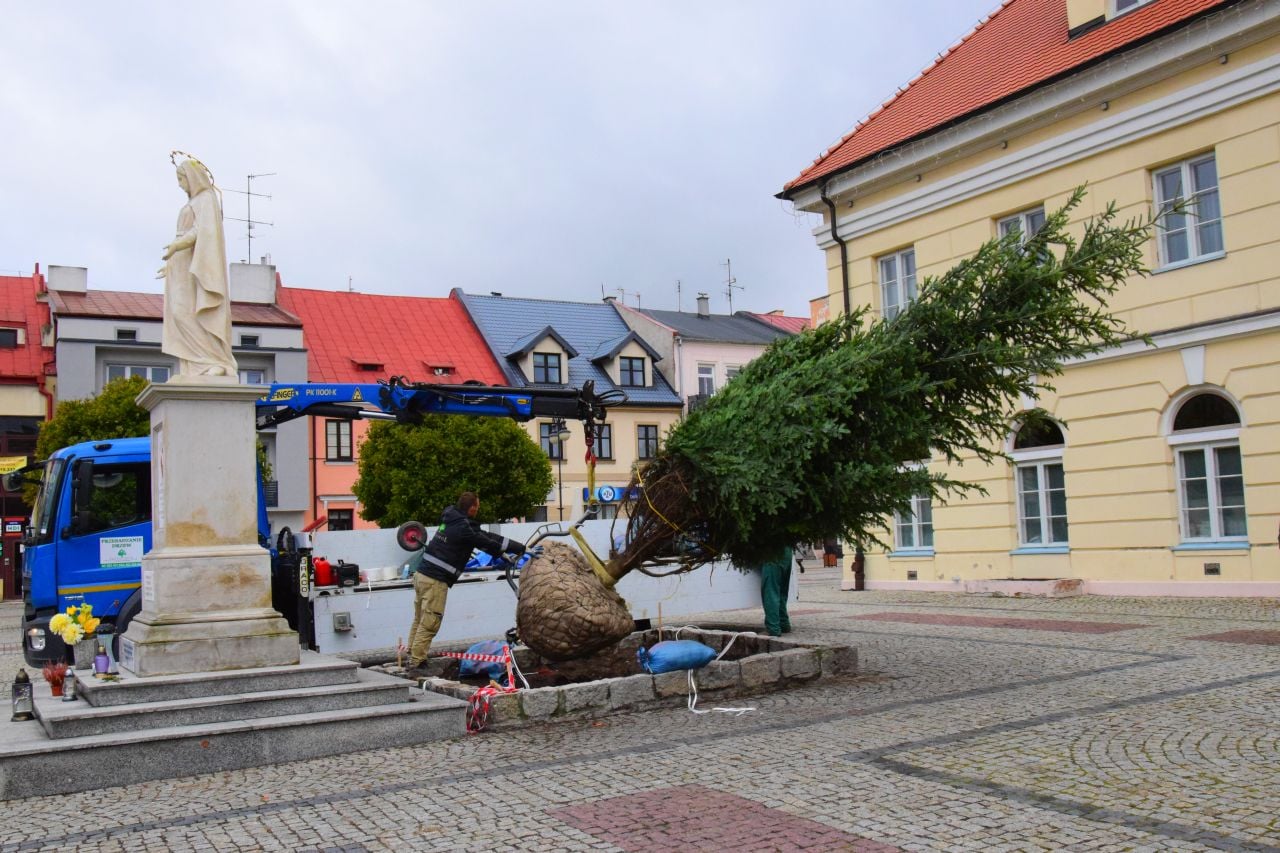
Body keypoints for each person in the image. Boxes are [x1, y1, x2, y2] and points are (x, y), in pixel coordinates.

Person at [405, 492, 525, 676]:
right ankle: (417, 663)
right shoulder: (463, 527)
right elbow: (485, 542)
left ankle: (411, 656)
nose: (479, 509)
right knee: (430, 621)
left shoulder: (452, 518)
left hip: (422, 575)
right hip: (436, 580)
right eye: (478, 506)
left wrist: (513, 548)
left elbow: (484, 536)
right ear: (472, 508)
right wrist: (521, 549)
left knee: (419, 618)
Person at [157, 155, 237, 380]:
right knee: (179, 313)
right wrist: (171, 264)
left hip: (196, 264)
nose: (180, 184)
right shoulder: (193, 202)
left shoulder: (206, 199)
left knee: (189, 312)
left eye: (182, 178)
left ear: (192, 177)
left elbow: (202, 231)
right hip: (182, 264)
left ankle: (215, 360)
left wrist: (176, 246)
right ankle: (194, 365)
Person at [760, 544, 794, 637]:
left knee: (770, 592)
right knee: (782, 592)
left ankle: (773, 628)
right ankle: (784, 624)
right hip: (787, 551)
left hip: (772, 553)